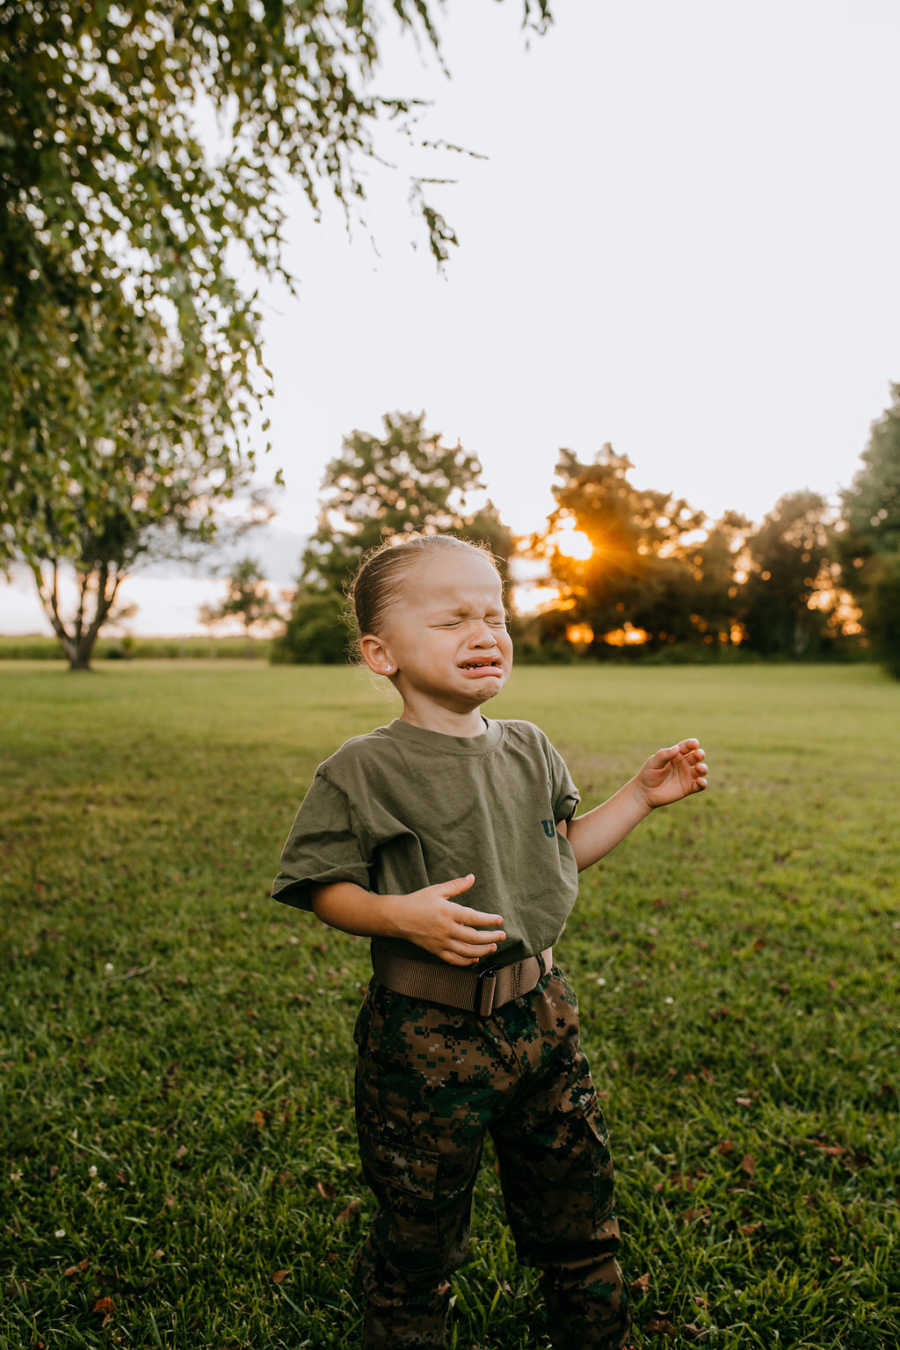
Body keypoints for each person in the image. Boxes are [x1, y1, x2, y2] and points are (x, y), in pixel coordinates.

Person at [271, 534, 708, 1350]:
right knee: (418, 1237)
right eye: (451, 621)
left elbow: (559, 850)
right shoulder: (361, 770)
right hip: (425, 1034)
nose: (484, 634)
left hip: (544, 1016)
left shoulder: (528, 746)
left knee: (578, 1210)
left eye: (494, 616)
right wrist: (401, 916)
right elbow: (322, 887)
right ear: (380, 653)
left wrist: (640, 799)